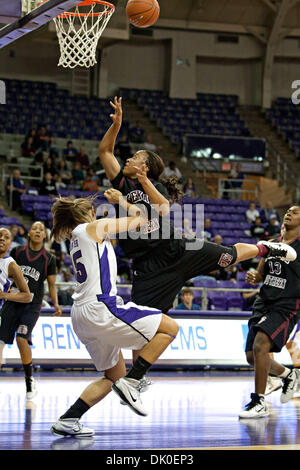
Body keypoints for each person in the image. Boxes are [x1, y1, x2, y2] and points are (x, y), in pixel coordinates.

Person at [98, 96, 297, 365]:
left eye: (135, 157)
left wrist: (141, 184)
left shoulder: (146, 189)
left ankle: (266, 247)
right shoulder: (121, 182)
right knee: (143, 320)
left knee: (227, 255)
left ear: (144, 168)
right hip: (148, 265)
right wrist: (117, 125)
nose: (129, 158)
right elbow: (105, 152)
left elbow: (163, 210)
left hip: (177, 249)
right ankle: (138, 378)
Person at [49, 192, 179, 437]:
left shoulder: (77, 238)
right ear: (89, 213)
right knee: (170, 329)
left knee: (112, 377)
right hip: (101, 307)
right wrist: (123, 200)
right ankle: (133, 381)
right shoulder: (93, 228)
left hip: (80, 314)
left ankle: (69, 419)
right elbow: (140, 219)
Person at [239, 206, 300, 419]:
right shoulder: (272, 243)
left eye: (296, 212)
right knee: (251, 356)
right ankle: (289, 374)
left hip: (287, 304)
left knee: (261, 345)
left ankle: (258, 402)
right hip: (263, 301)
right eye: (289, 210)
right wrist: (255, 277)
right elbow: (261, 274)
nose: (290, 213)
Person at [0, 221, 62, 399]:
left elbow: (51, 284)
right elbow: (7, 272)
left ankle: (29, 380)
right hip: (13, 301)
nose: (37, 231)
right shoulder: (17, 252)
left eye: (41, 229)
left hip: (32, 304)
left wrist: (56, 304)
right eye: (34, 228)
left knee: (21, 339)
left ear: (45, 235)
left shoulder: (49, 258)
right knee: (1, 342)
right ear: (29, 234)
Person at [0, 227, 32, 371]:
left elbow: (26, 295)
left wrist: (5, 295)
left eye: (6, 237)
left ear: (10, 243)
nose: (2, 238)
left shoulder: (11, 265)